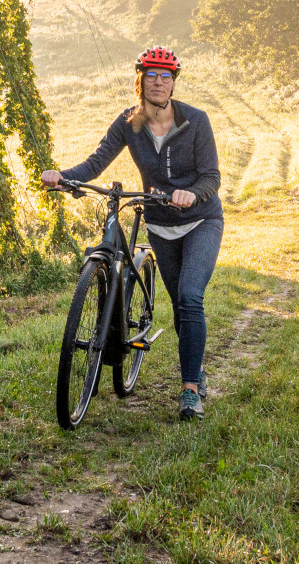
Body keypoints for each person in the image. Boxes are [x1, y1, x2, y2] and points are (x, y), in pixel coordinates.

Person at [42, 47, 222, 421]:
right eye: (152, 75)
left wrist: (193, 193)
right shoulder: (129, 123)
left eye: (166, 76)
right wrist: (64, 176)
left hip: (201, 221)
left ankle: (190, 389)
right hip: (159, 224)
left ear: (173, 82)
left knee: (190, 297)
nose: (159, 82)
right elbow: (96, 161)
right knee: (180, 304)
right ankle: (197, 367)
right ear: (140, 80)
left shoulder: (196, 121)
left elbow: (211, 178)